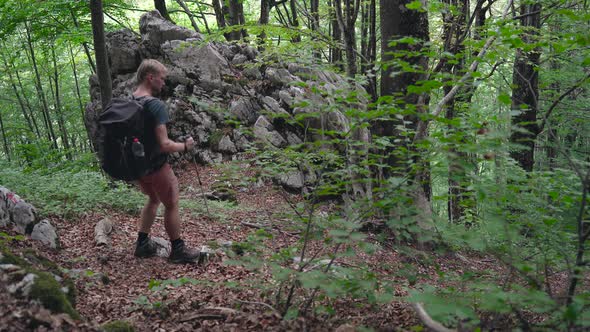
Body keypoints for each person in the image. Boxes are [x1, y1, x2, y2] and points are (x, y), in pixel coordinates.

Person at [131, 59, 200, 264]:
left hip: (138, 166)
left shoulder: (130, 100)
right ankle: (178, 249)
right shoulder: (155, 105)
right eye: (162, 78)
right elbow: (165, 145)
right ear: (150, 77)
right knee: (172, 204)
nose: (164, 83)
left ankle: (142, 244)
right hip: (156, 165)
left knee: (153, 199)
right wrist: (185, 147)